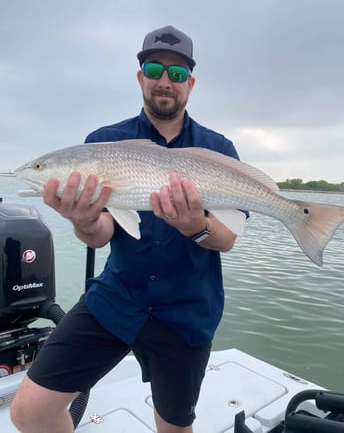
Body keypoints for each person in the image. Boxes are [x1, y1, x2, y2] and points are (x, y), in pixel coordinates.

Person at [11, 25, 247, 433]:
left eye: (176, 74)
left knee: (173, 426)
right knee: (29, 412)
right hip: (117, 298)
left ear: (190, 83)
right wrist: (82, 218)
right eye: (154, 69)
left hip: (187, 310)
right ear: (140, 77)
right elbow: (101, 233)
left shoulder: (219, 151)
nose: (164, 81)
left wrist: (197, 226)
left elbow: (227, 237)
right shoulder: (102, 144)